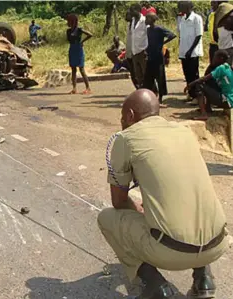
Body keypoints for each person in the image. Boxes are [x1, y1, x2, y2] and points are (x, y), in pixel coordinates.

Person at [98, 89, 229, 299]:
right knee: (192, 200)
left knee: (106, 218)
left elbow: (119, 201)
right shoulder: (183, 132)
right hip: (218, 242)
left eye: (122, 118)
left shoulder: (126, 139)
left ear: (130, 115)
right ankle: (203, 278)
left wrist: (138, 209)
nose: (121, 123)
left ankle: (155, 286)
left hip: (172, 252)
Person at [185, 50, 233, 120]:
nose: (212, 59)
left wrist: (190, 85)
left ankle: (203, 114)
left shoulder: (221, 68)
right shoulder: (227, 67)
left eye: (215, 57)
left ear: (221, 59)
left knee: (199, 85)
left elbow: (203, 78)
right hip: (229, 101)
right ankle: (207, 109)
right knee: (209, 84)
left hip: (226, 100)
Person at [143, 13, 176, 107]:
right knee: (148, 78)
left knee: (160, 78)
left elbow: (172, 35)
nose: (145, 20)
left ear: (151, 19)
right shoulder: (148, 30)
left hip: (158, 57)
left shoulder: (159, 29)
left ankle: (160, 100)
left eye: (147, 18)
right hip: (150, 56)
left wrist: (162, 43)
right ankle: (150, 97)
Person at [178, 1, 204, 105]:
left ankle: (197, 96)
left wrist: (190, 50)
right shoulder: (183, 19)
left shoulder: (196, 18)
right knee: (187, 74)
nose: (179, 8)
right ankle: (191, 94)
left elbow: (198, 35)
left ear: (188, 7)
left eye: (181, 6)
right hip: (184, 52)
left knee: (194, 75)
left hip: (193, 53)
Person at [66, 14, 92, 95]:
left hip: (79, 49)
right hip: (72, 49)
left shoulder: (79, 30)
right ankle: (74, 88)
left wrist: (82, 41)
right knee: (73, 69)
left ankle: (88, 88)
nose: (68, 22)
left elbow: (90, 35)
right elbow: (69, 40)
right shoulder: (68, 31)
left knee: (81, 69)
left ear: (73, 21)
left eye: (69, 21)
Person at [130, 4, 148, 88]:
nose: (130, 12)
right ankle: (142, 92)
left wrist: (147, 50)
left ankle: (152, 92)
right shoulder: (132, 20)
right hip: (134, 51)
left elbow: (149, 34)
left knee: (146, 73)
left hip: (143, 50)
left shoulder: (144, 20)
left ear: (137, 10)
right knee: (138, 74)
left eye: (132, 10)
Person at [125, 11, 139, 89]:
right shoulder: (128, 25)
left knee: (138, 73)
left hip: (136, 52)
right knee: (133, 73)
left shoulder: (136, 24)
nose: (126, 17)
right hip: (129, 53)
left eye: (127, 15)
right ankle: (137, 88)